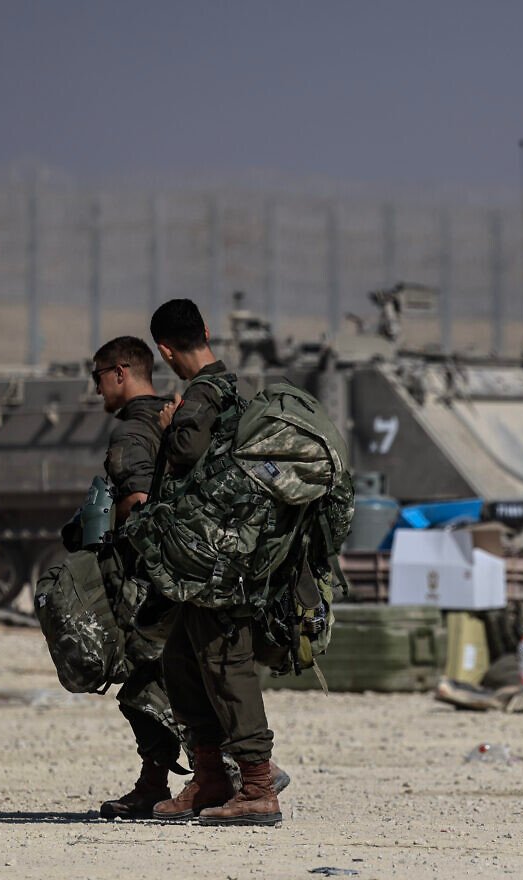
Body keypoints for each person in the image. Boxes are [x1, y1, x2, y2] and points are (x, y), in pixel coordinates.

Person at [146, 298, 288, 826]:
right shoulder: (233, 389)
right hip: (211, 559)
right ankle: (209, 780)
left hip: (217, 562)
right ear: (205, 330)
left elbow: (185, 456)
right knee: (181, 662)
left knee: (226, 667)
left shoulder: (203, 396)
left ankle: (256, 787)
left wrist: (170, 427)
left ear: (164, 350)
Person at [88, 335, 184, 819]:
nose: (97, 390)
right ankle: (156, 781)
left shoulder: (130, 432)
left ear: (121, 372)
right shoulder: (172, 418)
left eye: (98, 378)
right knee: (167, 678)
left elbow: (138, 501)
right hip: (187, 572)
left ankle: (235, 771)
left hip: (150, 577)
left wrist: (132, 560)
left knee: (146, 681)